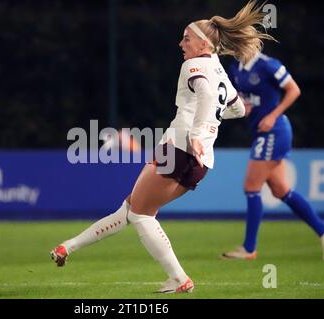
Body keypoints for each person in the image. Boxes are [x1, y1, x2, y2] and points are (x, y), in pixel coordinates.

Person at [51, 1, 271, 293]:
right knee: (133, 208)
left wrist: (198, 130)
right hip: (201, 163)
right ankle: (68, 247)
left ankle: (180, 279)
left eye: (186, 38)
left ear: (203, 43)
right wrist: (212, 121)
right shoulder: (219, 70)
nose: (181, 43)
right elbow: (238, 109)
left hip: (179, 148)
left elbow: (205, 94)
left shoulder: (194, 64)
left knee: (141, 214)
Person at [221, 47, 324, 260]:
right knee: (280, 190)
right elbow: (241, 97)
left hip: (274, 132)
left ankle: (249, 249)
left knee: (251, 187)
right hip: (260, 132)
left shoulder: (268, 65)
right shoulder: (235, 68)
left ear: (252, 43)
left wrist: (273, 115)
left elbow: (294, 89)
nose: (238, 46)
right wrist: (241, 105)